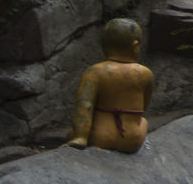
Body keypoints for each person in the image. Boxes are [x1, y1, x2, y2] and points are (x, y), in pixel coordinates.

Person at [64, 18, 153, 152]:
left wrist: (80, 136)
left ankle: (80, 138)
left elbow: (84, 105)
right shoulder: (145, 73)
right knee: (144, 121)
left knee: (70, 133)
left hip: (100, 138)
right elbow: (143, 107)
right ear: (135, 46)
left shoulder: (94, 72)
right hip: (132, 140)